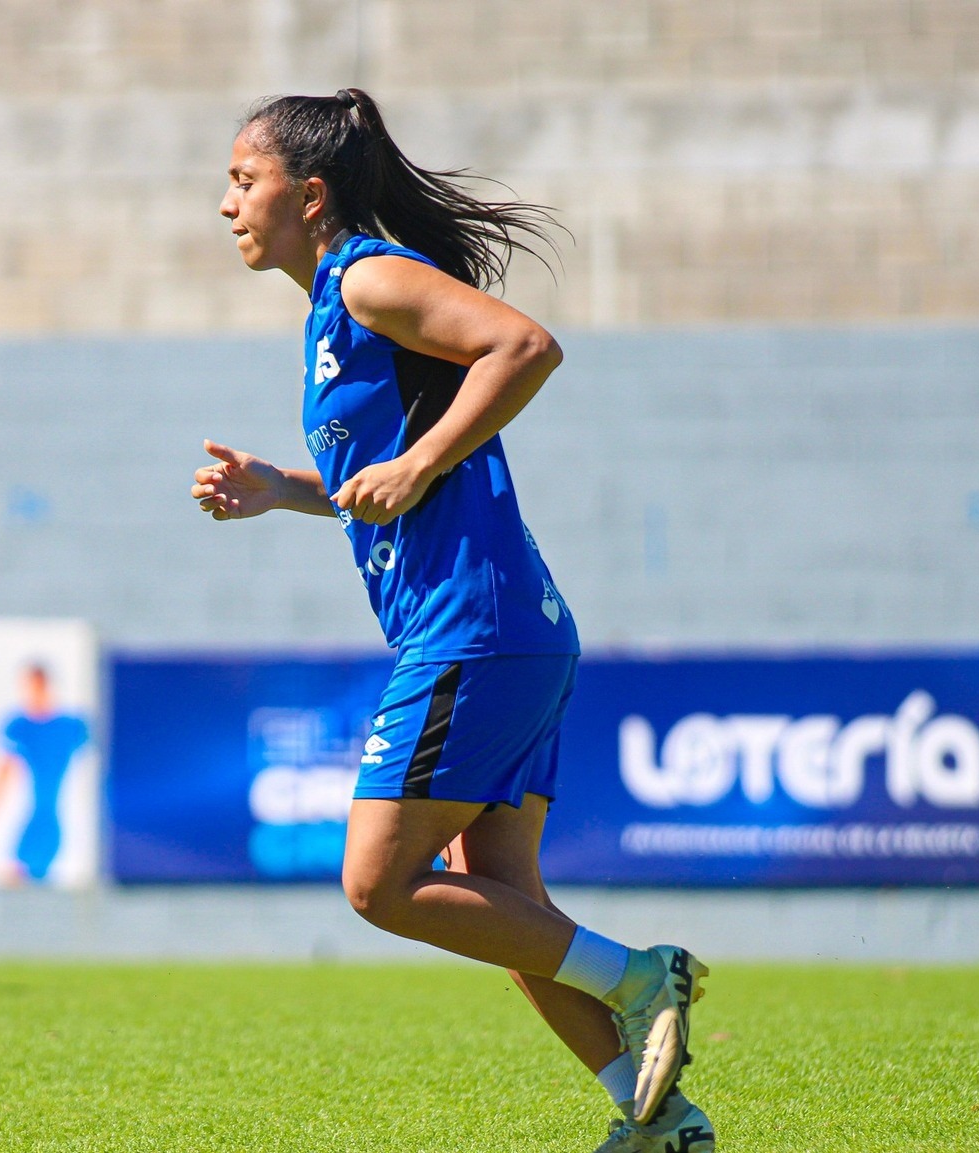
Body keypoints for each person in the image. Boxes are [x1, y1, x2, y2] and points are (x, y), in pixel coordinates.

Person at [192, 90, 714, 1151]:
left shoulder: (368, 278)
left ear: (310, 193)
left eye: (243, 182)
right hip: (507, 628)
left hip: (471, 628)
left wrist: (421, 460)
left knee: (377, 882)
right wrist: (282, 488)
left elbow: (523, 346)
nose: (225, 204)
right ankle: (654, 1116)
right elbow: (380, 473)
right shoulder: (330, 314)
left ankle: (641, 976)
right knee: (501, 899)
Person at [0, 662, 91, 885]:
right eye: (27, 688)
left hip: (52, 828)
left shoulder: (71, 726)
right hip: (33, 824)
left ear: (46, 686)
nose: (32, 695)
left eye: (37, 687)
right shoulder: (18, 726)